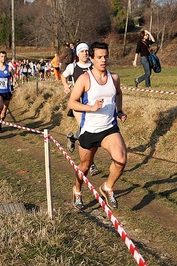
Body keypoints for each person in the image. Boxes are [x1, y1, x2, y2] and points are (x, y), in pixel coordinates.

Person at [68, 41, 127, 210]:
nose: (103, 60)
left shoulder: (114, 78)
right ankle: (77, 190)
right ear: (92, 58)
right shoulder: (85, 79)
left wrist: (120, 110)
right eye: (99, 57)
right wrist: (91, 108)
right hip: (90, 131)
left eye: (106, 56)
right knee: (85, 167)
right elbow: (72, 103)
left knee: (121, 159)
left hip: (109, 128)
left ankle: (107, 187)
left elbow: (118, 93)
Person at [61, 42, 101, 176]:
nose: (84, 53)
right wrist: (65, 86)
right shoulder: (73, 67)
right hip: (78, 103)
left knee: (91, 129)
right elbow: (63, 76)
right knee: (85, 129)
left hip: (91, 103)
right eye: (82, 51)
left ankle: (72, 138)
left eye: (86, 51)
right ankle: (91, 164)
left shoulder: (93, 66)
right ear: (77, 54)